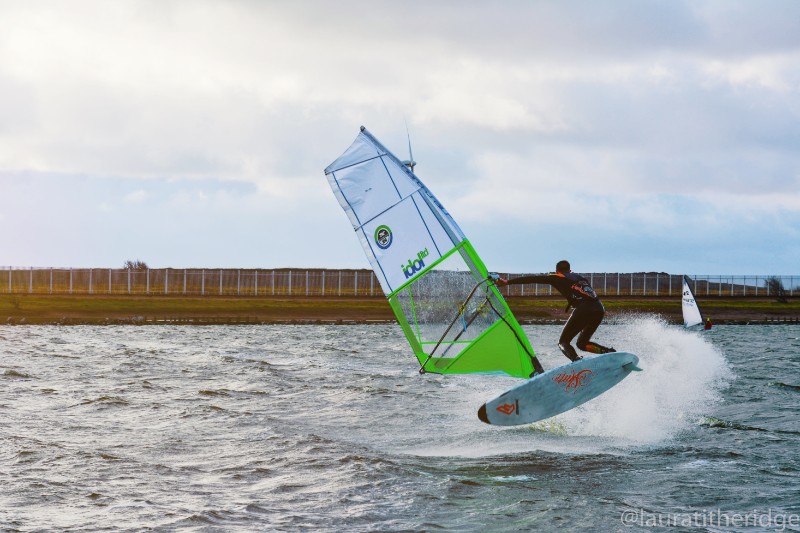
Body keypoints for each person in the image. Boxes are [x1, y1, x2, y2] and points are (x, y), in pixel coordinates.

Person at [496, 260, 615, 362]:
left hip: (584, 308)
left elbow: (533, 279)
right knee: (582, 344)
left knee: (563, 342)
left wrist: (507, 282)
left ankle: (577, 360)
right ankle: (609, 353)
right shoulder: (580, 278)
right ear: (570, 270)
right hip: (599, 309)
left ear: (557, 271)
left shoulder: (557, 277)